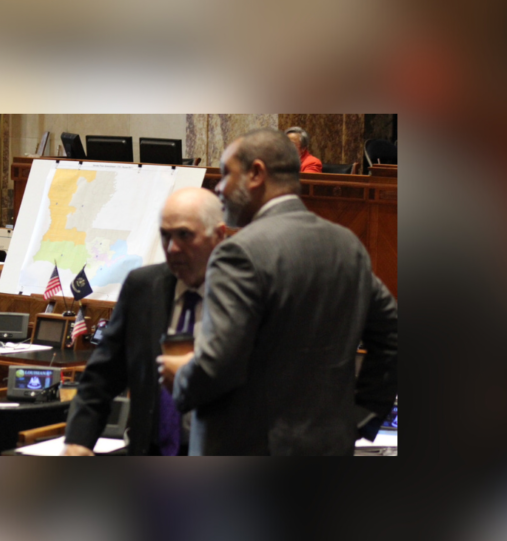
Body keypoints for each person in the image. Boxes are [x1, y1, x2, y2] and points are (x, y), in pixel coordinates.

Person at [158, 128, 397, 455]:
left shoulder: (238, 253)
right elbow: (393, 335)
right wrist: (361, 416)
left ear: (256, 173)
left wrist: (181, 375)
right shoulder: (347, 246)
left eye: (227, 174)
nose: (218, 187)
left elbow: (218, 367)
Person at [62, 188, 227, 456]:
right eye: (165, 236)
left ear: (218, 236)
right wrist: (79, 440)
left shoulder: (243, 294)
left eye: (185, 235)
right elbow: (102, 376)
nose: (172, 248)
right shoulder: (143, 287)